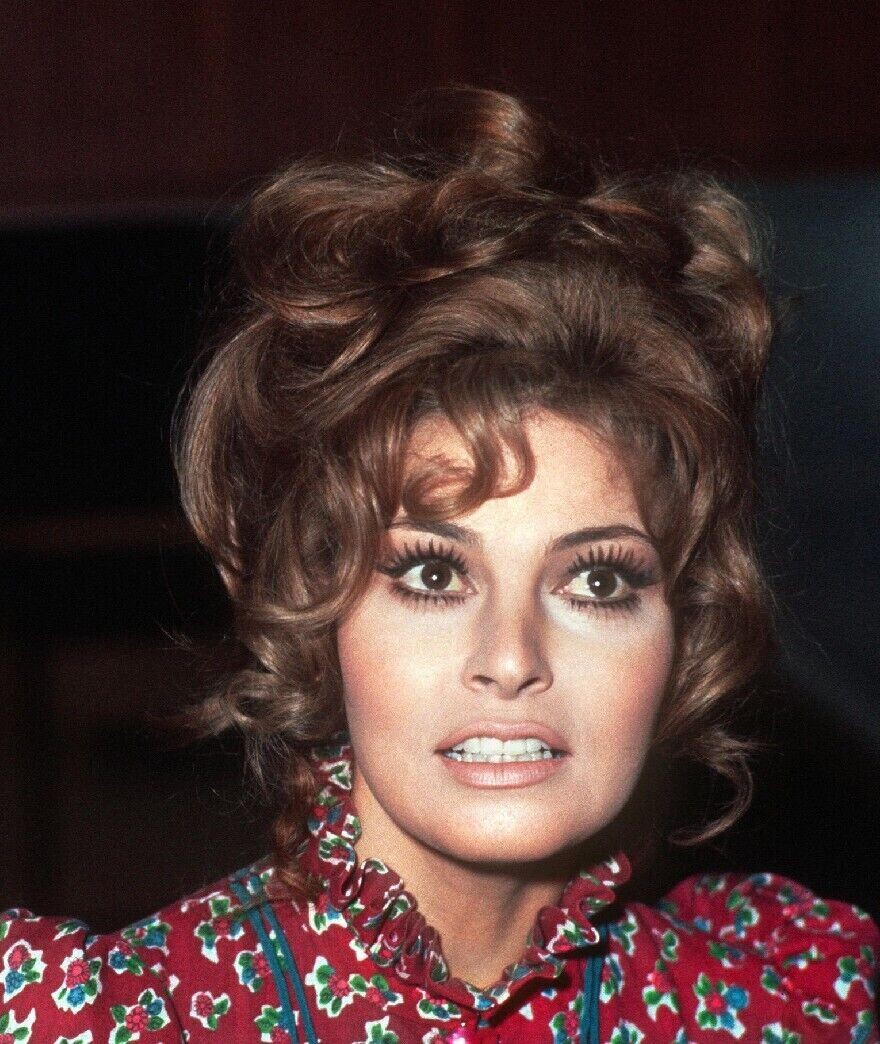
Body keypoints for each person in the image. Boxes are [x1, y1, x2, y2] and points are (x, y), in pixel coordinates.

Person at [1, 87, 877, 1044]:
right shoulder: (107, 1019)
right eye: (432, 575)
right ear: (317, 608)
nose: (511, 659)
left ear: (683, 637)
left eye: (596, 582)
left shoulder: (790, 1009)